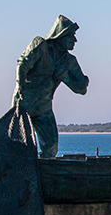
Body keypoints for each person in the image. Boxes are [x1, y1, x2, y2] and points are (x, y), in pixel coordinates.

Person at [10, 15, 89, 159]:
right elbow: (22, 64)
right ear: (61, 35)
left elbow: (81, 89)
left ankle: (44, 171)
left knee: (51, 146)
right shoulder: (40, 45)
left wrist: (65, 75)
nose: (75, 40)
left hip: (44, 108)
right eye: (71, 36)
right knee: (17, 144)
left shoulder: (69, 61)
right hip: (23, 103)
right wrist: (19, 88)